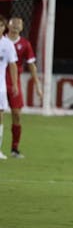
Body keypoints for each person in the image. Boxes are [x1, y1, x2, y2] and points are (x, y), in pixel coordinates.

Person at [4, 17, 43, 158]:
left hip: (15, 83)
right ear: (7, 25)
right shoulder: (2, 41)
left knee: (17, 114)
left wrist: (38, 86)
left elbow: (31, 65)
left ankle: (14, 148)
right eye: (13, 23)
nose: (15, 25)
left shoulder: (25, 44)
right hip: (1, 81)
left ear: (22, 27)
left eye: (18, 24)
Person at [0, 15, 20, 160]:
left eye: (1, 25)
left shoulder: (7, 44)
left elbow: (12, 65)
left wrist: (14, 83)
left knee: (0, 117)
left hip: (0, 87)